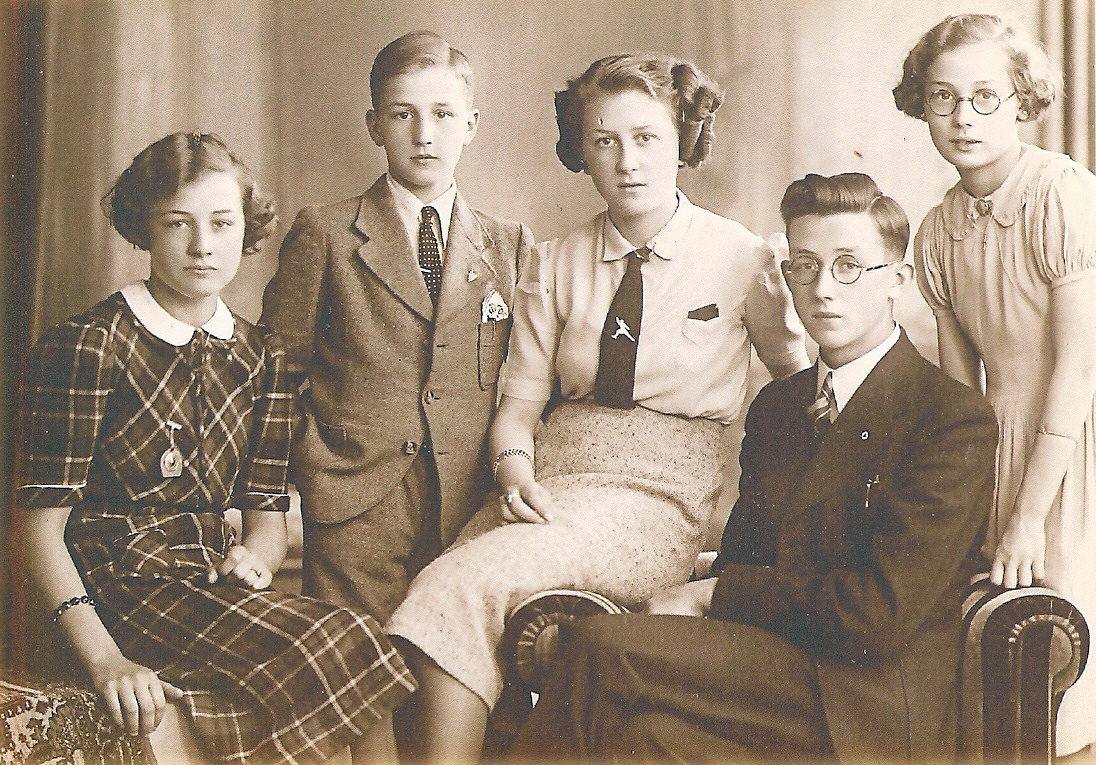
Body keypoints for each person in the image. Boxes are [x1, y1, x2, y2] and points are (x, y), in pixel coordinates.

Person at [385, 52, 810, 763]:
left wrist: (789, 340)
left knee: (456, 587)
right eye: (605, 140)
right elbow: (518, 408)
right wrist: (514, 471)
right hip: (550, 481)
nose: (627, 161)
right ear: (581, 149)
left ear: (683, 140)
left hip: (660, 494)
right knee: (440, 589)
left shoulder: (742, 258)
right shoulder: (554, 261)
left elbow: (800, 395)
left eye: (646, 138)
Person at [508, 172, 1000, 764]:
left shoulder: (948, 417)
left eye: (848, 266)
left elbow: (877, 617)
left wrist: (717, 594)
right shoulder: (780, 405)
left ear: (898, 279)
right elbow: (747, 552)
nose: (823, 289)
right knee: (640, 739)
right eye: (805, 266)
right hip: (773, 669)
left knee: (600, 648)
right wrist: (701, 579)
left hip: (867, 699)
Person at [17, 132, 414, 765]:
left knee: (355, 642)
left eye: (222, 223)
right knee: (344, 644)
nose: (203, 245)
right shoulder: (92, 344)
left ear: (246, 229)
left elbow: (266, 518)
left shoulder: (262, 356)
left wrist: (257, 560)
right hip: (110, 588)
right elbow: (37, 530)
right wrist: (107, 662)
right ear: (144, 229)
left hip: (204, 585)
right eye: (178, 223)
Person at [259, 31, 533, 625]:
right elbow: (274, 372)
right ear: (374, 125)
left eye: (443, 115)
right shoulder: (327, 233)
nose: (424, 134)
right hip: (355, 498)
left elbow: (526, 379)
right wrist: (314, 460)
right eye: (403, 114)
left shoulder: (508, 244)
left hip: (469, 499)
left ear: (472, 125)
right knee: (357, 657)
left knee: (455, 655)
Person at [893, 13, 1096, 757]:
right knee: (1000, 661)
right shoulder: (937, 231)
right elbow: (961, 397)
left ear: (1021, 98)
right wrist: (975, 502)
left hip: (1075, 435)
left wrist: (1029, 514)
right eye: (943, 98)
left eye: (985, 96)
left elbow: (1078, 366)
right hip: (1000, 446)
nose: (963, 118)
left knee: (1066, 679)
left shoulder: (1061, 194)